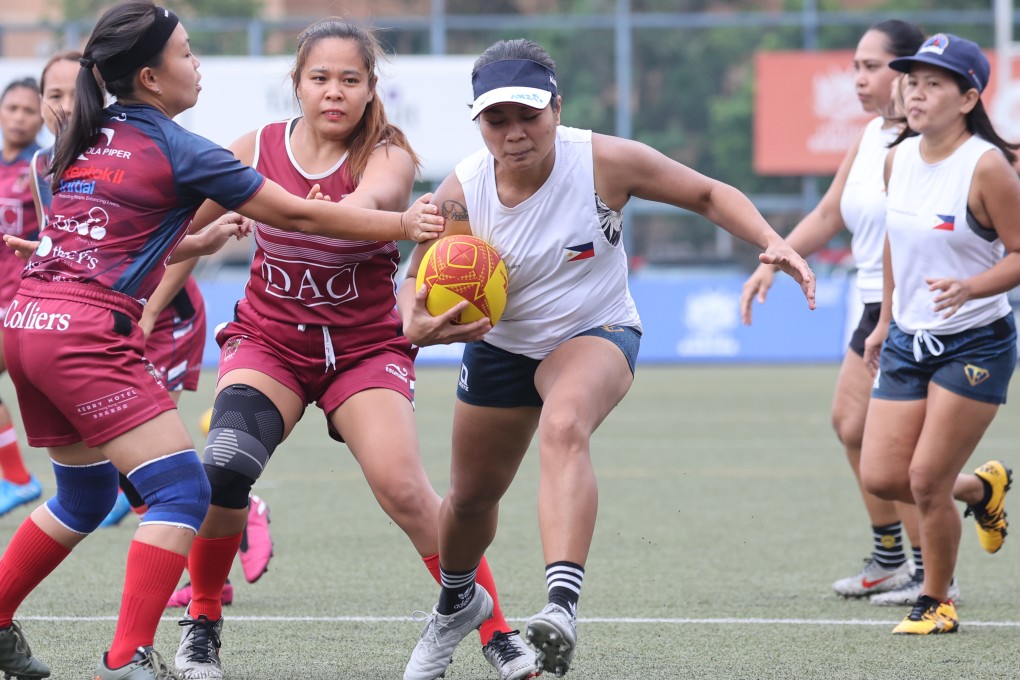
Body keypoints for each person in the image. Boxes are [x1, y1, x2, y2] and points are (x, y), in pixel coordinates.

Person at [0, 3, 441, 679]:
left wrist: (195, 238)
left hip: (28, 321)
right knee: (182, 490)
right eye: (184, 52)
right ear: (150, 76)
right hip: (86, 334)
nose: (195, 63)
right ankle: (128, 659)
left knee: (84, 500)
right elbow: (295, 212)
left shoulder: (84, 135)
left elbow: (113, 224)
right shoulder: (183, 149)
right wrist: (403, 223)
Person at [398, 38, 816, 679]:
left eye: (528, 115)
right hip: (502, 346)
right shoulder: (463, 192)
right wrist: (418, 319)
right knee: (470, 500)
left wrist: (771, 240)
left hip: (596, 330)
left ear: (557, 109)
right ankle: (456, 601)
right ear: (478, 121)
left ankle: (559, 610)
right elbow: (422, 280)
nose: (514, 134)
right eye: (497, 119)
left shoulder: (603, 162)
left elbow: (706, 194)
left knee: (565, 425)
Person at [171, 18, 537, 680]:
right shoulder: (254, 149)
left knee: (405, 490)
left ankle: (495, 629)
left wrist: (304, 209)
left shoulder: (390, 156)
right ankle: (201, 623)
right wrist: (130, 280)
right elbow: (176, 222)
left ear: (371, 90)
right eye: (320, 78)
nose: (334, 92)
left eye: (350, 79)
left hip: (365, 349)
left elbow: (365, 209)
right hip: (270, 341)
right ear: (296, 85)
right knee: (224, 466)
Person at [27, 48, 276, 599]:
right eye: (54, 95)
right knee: (118, 475)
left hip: (159, 319)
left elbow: (161, 248)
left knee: (156, 468)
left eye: (75, 92)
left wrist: (150, 312)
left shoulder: (147, 146)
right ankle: (219, 540)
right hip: (91, 322)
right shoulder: (46, 164)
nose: (66, 106)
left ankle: (232, 521)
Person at [739, 21, 962, 606]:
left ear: (908, 72)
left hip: (906, 307)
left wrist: (896, 312)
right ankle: (902, 548)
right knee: (855, 429)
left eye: (871, 66)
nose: (858, 77)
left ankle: (929, 568)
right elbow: (830, 211)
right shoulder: (869, 136)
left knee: (884, 443)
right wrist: (776, 257)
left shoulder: (927, 144)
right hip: (867, 304)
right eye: (856, 65)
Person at [859, 33, 1018, 636]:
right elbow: (900, 242)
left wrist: (972, 288)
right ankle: (981, 491)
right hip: (908, 337)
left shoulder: (986, 166)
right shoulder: (897, 158)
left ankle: (937, 602)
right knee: (882, 475)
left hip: (977, 341)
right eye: (912, 80)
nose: (915, 92)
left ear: (968, 96)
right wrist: (885, 320)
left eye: (933, 83)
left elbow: (1019, 252)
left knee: (925, 480)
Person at [0, 76, 44, 518]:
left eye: (28, 110)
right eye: (11, 108)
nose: (18, 117)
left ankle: (16, 477)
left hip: (25, 297)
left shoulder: (42, 167)